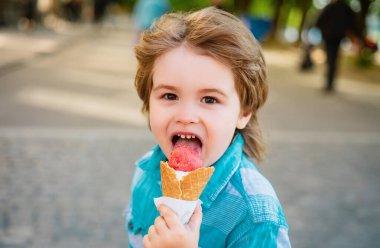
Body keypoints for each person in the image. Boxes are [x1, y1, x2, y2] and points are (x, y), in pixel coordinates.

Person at [125, 7, 290, 247]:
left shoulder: (255, 213)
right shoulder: (145, 171)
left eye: (210, 99)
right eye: (170, 95)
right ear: (148, 102)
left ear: (243, 112)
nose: (186, 116)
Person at [316, 0, 360, 92]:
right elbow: (353, 23)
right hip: (338, 37)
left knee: (330, 59)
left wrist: (324, 31)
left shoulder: (330, 7)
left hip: (329, 37)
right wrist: (355, 36)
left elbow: (319, 21)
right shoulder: (346, 8)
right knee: (334, 59)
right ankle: (330, 83)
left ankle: (329, 83)